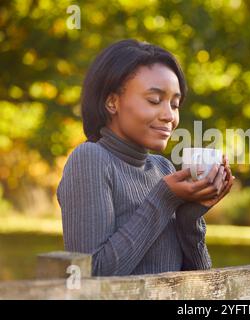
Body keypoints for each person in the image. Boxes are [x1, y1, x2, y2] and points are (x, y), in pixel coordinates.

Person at [56, 39, 234, 277]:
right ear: (112, 102)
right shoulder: (90, 159)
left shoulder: (163, 168)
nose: (169, 116)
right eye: (154, 100)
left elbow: (199, 283)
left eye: (175, 104)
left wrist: (189, 217)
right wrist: (165, 198)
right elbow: (91, 275)